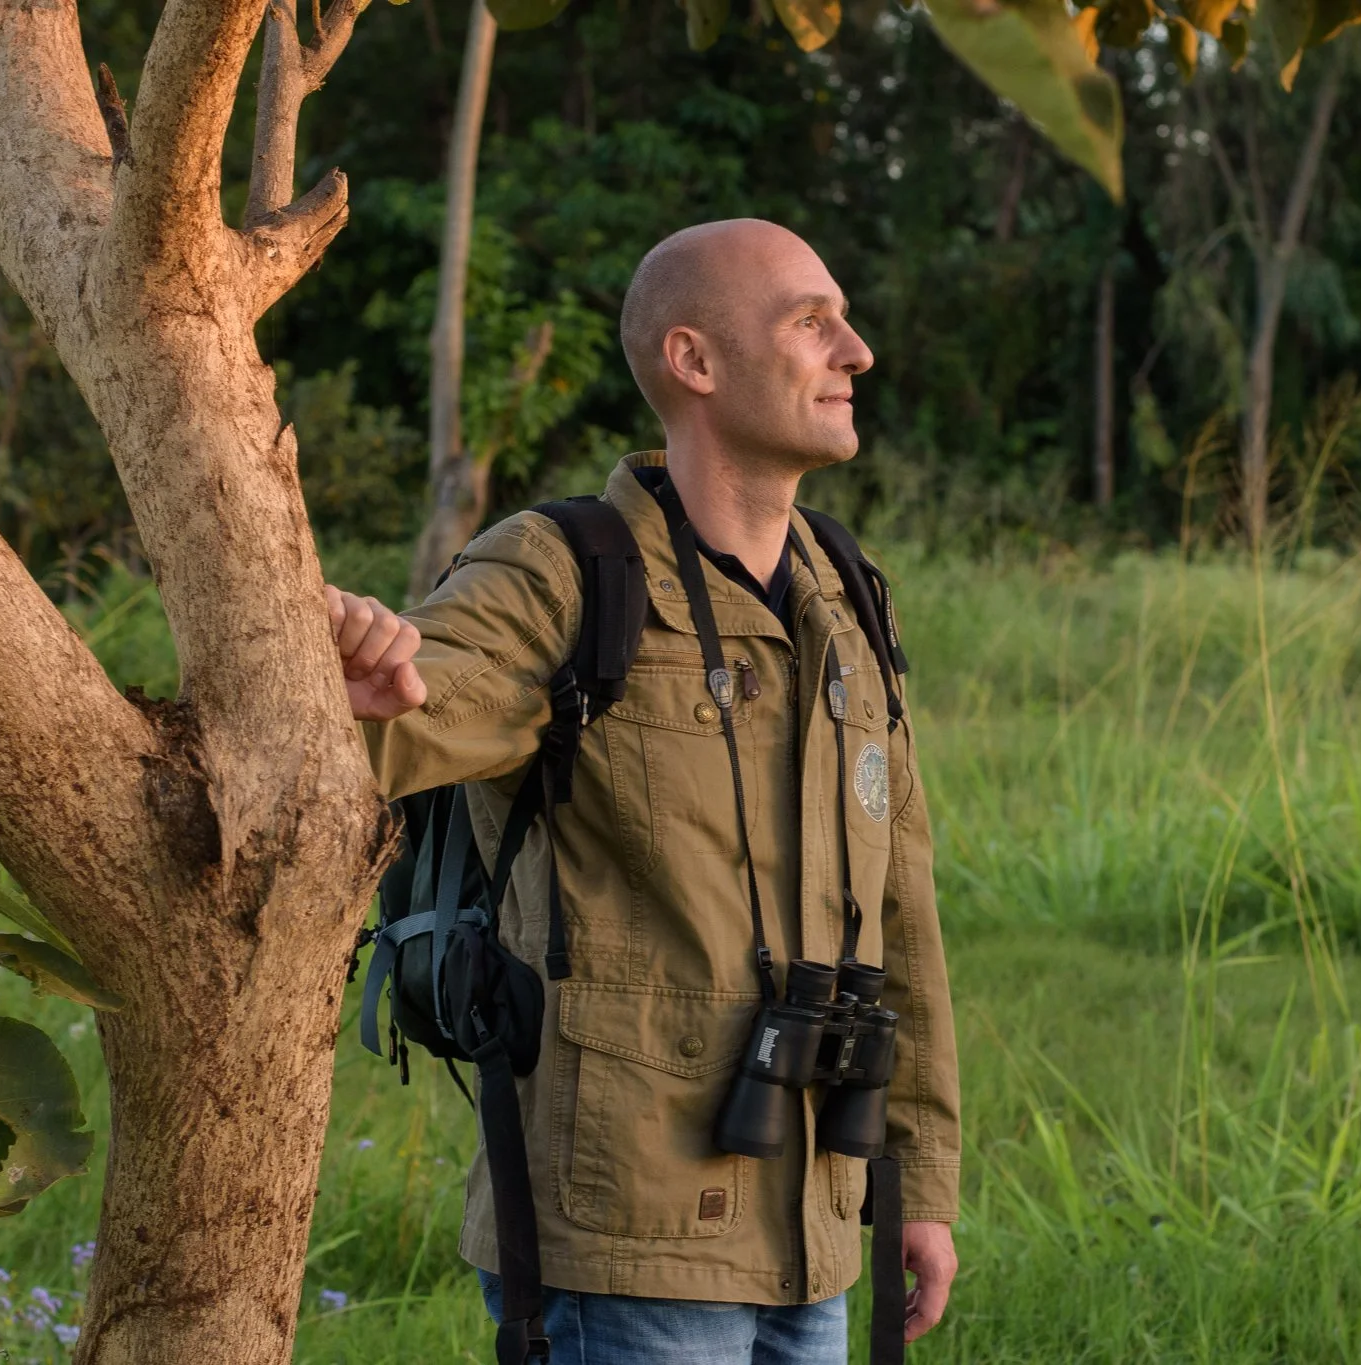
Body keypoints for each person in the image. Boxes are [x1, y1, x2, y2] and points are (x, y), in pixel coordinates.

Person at [327, 219, 961, 1364]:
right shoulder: (564, 569)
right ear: (695, 362)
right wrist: (362, 678)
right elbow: (426, 703)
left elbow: (899, 906)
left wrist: (915, 1179)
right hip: (625, 1240)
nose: (855, 351)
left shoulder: (847, 590)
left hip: (813, 1220)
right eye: (811, 322)